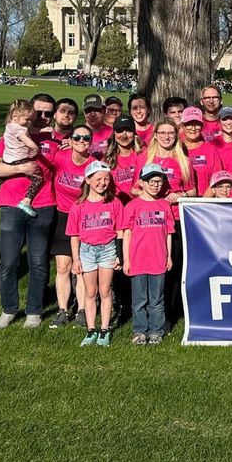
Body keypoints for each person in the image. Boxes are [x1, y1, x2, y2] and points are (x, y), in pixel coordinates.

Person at [0, 94, 59, 331]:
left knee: (38, 262)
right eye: (38, 112)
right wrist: (21, 168)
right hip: (11, 203)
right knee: (8, 262)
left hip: (43, 204)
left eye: (48, 113)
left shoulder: (56, 140)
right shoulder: (13, 135)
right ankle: (8, 310)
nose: (41, 118)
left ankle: (34, 311)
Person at [67, 161, 122, 347]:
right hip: (87, 251)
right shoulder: (78, 206)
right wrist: (76, 259)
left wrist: (119, 254)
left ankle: (104, 330)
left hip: (108, 249)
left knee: (105, 291)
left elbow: (121, 230)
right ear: (88, 180)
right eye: (98, 179)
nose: (102, 183)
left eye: (106, 179)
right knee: (90, 292)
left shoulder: (114, 202)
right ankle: (91, 330)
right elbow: (74, 235)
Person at [48, 124, 95, 329]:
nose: (81, 142)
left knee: (81, 269)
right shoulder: (60, 157)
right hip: (62, 217)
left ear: (91, 142)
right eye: (77, 138)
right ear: (71, 139)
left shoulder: (93, 164)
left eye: (86, 139)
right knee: (63, 267)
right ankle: (62, 310)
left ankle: (82, 311)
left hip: (84, 218)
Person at [123, 163, 174, 344]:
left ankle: (156, 331)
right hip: (137, 259)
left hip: (158, 259)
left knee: (156, 299)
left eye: (159, 181)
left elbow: (168, 233)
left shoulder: (164, 205)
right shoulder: (132, 206)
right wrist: (127, 260)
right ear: (141, 183)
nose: (155, 185)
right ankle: (140, 331)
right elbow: (127, 234)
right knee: (139, 300)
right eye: (151, 181)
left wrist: (169, 256)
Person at [0, 101, 44, 215]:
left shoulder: (10, 126)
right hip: (20, 158)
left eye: (31, 120)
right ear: (15, 116)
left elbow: (29, 131)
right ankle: (26, 201)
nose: (29, 123)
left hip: (8, 158)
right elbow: (27, 140)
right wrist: (35, 148)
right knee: (37, 178)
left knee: (0, 177)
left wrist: (42, 130)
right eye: (27, 119)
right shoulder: (19, 130)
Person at [179, 107, 222, 194]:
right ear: (182, 126)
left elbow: (217, 180)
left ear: (202, 126)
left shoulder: (211, 149)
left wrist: (202, 203)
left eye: (197, 124)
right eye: (189, 124)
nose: (193, 128)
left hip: (206, 203)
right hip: (181, 202)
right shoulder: (177, 149)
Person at [106, 116, 142, 202]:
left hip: (141, 205)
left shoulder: (142, 155)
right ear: (114, 134)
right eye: (120, 131)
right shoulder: (107, 159)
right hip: (119, 205)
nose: (124, 135)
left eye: (128, 130)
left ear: (134, 133)